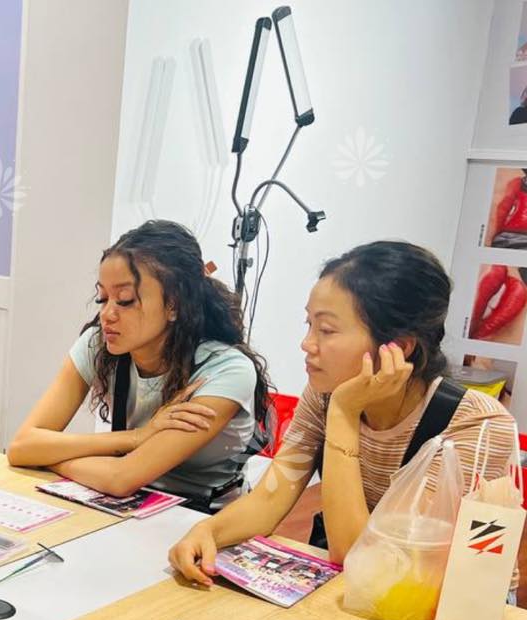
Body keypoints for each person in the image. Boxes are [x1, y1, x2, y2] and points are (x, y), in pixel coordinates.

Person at [169, 240, 519, 584]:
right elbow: (270, 498)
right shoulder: (326, 395)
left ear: (398, 347)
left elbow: (365, 560)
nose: (307, 344)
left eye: (326, 330)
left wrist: (343, 414)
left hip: (446, 603)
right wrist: (207, 531)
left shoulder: (475, 424)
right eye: (309, 324)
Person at [7, 220, 273, 511]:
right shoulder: (99, 344)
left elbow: (121, 478)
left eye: (125, 301)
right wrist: (136, 437)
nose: (107, 314)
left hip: (204, 516)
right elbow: (21, 446)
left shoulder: (225, 370)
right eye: (103, 298)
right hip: (128, 505)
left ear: (174, 305)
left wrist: (48, 457)